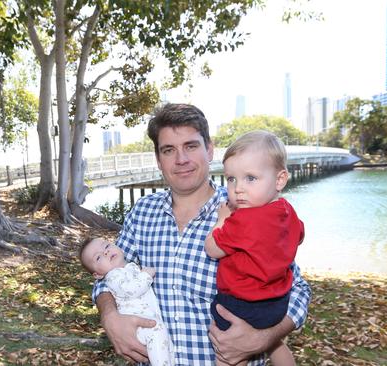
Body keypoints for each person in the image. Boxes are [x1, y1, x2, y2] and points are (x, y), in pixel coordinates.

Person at [91, 103, 311, 365]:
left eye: (191, 146)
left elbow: (297, 289)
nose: (181, 159)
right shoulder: (142, 213)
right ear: (159, 160)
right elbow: (107, 274)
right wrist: (110, 317)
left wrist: (265, 338)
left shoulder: (246, 211)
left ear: (209, 149)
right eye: (169, 150)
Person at [205, 130, 304, 366]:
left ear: (280, 179)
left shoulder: (243, 220)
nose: (238, 188)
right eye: (231, 179)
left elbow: (212, 249)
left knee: (228, 354)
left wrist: (223, 219)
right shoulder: (287, 210)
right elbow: (299, 235)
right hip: (277, 302)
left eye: (250, 178)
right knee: (275, 344)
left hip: (240, 303)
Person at [79, 237, 174, 366]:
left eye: (106, 246)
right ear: (98, 275)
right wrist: (146, 275)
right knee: (157, 331)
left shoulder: (130, 267)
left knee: (165, 345)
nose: (105, 252)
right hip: (139, 326)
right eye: (98, 257)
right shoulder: (113, 276)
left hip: (148, 320)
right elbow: (131, 290)